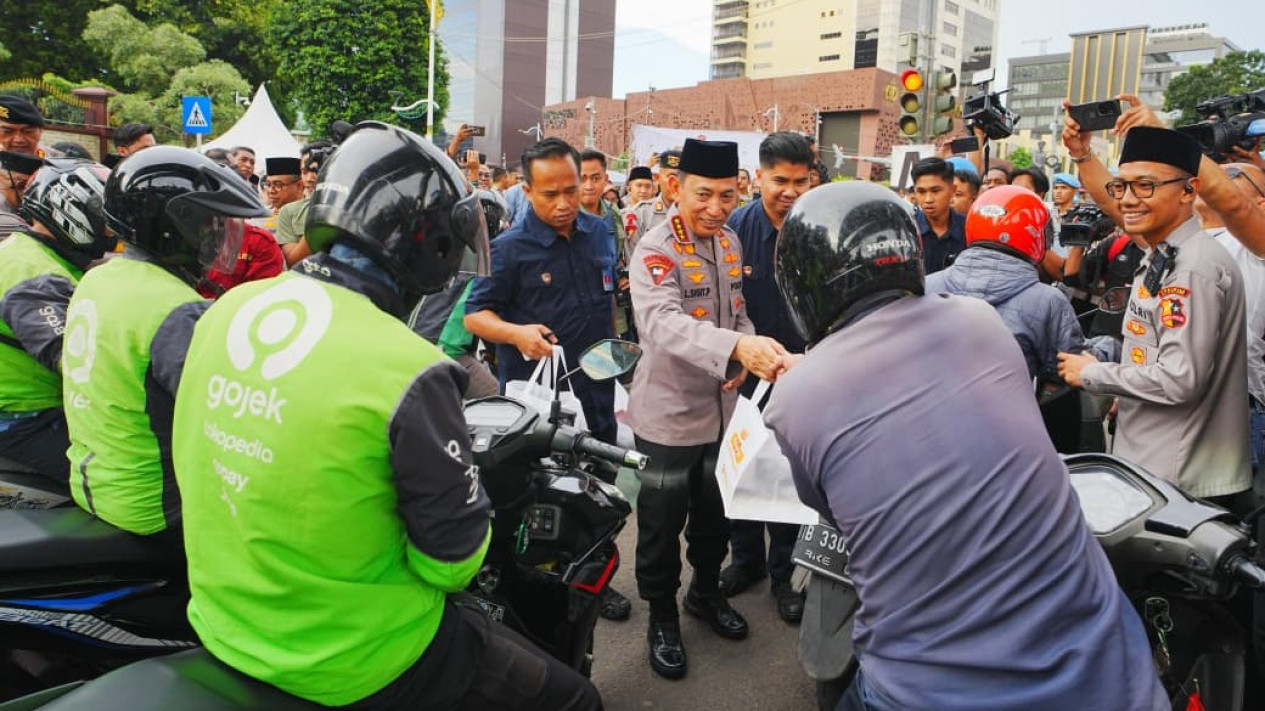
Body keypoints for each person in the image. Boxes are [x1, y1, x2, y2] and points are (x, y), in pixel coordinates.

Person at [166, 121, 600, 711]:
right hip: (357, 654)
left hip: (223, 620)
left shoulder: (229, 307)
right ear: (429, 247)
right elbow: (451, 563)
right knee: (575, 699)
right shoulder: (409, 366)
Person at [765, 181, 1167, 711]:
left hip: (927, 686)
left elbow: (830, 508)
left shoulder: (794, 397)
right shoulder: (979, 320)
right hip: (1103, 664)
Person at [628, 138, 788, 680]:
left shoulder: (728, 244)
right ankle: (663, 613)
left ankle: (703, 593)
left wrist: (750, 345)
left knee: (714, 518)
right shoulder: (656, 248)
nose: (716, 209)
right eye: (704, 195)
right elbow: (662, 324)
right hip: (668, 418)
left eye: (727, 195)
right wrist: (735, 348)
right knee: (659, 527)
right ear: (675, 188)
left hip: (721, 413)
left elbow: (736, 313)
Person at [62, 146, 270, 544]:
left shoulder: (100, 278)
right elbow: (229, 418)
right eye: (211, 225)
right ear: (173, 225)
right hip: (155, 504)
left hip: (96, 479)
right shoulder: (175, 309)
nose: (218, 237)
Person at [463, 137, 632, 622]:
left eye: (571, 190)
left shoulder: (599, 231)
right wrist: (516, 333)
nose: (562, 204)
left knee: (600, 493)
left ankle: (596, 579)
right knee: (544, 500)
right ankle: (536, 587)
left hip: (595, 393)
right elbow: (476, 317)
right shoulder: (508, 250)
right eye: (548, 194)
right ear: (526, 190)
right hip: (539, 408)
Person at [1058, 126, 1251, 506]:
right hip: (1155, 470)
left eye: (1145, 186)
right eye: (1122, 187)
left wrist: (1094, 374)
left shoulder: (1193, 266)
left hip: (1181, 482)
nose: (1129, 200)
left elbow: (1180, 380)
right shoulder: (1166, 254)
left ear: (1189, 191)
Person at [720, 131, 813, 623]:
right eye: (780, 180)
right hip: (745, 373)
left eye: (800, 180)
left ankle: (785, 574)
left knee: (791, 477)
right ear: (759, 177)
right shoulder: (735, 228)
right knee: (743, 466)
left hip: (803, 372)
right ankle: (746, 561)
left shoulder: (818, 228)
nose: (790, 191)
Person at [0, 160, 112, 488]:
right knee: (128, 482)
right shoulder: (34, 275)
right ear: (74, 210)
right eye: (106, 218)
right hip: (26, 417)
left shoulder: (29, 251)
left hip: (31, 408)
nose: (113, 229)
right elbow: (74, 360)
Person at [927, 185, 1113, 380]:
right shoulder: (1047, 300)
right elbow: (1070, 366)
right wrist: (1112, 347)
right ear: (1037, 234)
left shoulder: (926, 286)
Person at [910, 157, 967, 274]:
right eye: (921, 192)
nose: (928, 199)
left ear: (952, 190)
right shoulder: (906, 231)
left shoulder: (969, 229)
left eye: (935, 191)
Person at [626, 150, 681, 253]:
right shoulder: (640, 214)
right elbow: (632, 260)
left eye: (680, 177)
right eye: (670, 177)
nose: (675, 182)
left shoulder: (695, 214)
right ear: (658, 178)